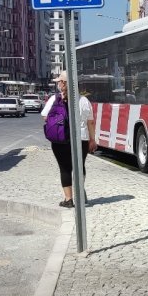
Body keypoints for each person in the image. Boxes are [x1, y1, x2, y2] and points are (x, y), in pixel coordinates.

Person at [41, 72, 95, 208]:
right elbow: (90, 123)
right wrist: (92, 139)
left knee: (64, 169)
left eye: (59, 81)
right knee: (79, 166)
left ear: (63, 83)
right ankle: (80, 195)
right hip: (81, 139)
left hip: (60, 140)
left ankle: (68, 199)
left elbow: (45, 117)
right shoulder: (84, 101)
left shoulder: (55, 99)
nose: (58, 83)